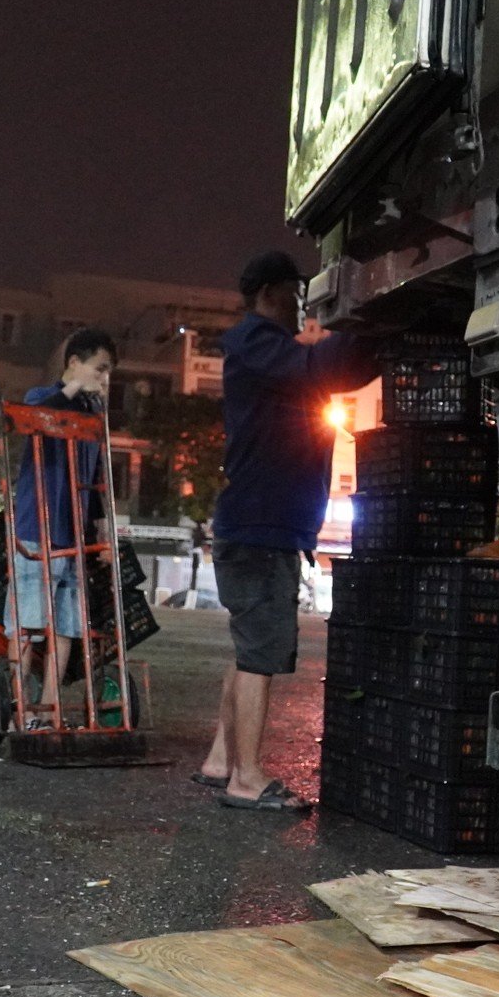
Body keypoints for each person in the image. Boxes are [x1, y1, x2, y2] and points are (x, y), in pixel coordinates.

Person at [195, 250, 378, 811]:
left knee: (249, 645)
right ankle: (247, 777)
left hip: (261, 525)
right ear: (272, 291)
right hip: (259, 528)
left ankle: (222, 760)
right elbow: (320, 369)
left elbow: (327, 369)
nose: (301, 302)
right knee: (260, 654)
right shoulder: (254, 343)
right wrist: (372, 320)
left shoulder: (266, 351)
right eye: (296, 291)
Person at [8, 328, 116, 693]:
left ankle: (50, 706)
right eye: (99, 369)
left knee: (67, 625)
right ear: (74, 362)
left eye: (107, 372)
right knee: (28, 624)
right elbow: (35, 414)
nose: (104, 379)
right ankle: (19, 704)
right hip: (35, 531)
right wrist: (75, 389)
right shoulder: (43, 397)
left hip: (73, 536)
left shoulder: (91, 414)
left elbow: (98, 472)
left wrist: (101, 532)